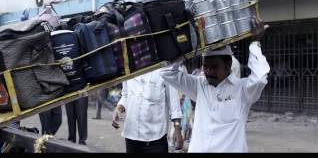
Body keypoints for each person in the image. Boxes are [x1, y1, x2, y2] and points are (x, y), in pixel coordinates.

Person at [160, 17, 270, 152]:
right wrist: (186, 47)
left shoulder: (242, 89)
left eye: (214, 67)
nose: (208, 71)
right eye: (205, 66)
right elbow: (167, 72)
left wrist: (254, 43)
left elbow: (260, 78)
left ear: (229, 65)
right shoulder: (199, 85)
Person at [112, 69, 184, 153]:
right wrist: (119, 108)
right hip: (131, 138)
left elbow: (174, 103)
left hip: (156, 141)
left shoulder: (163, 70)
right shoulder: (128, 70)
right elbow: (125, 95)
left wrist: (177, 129)